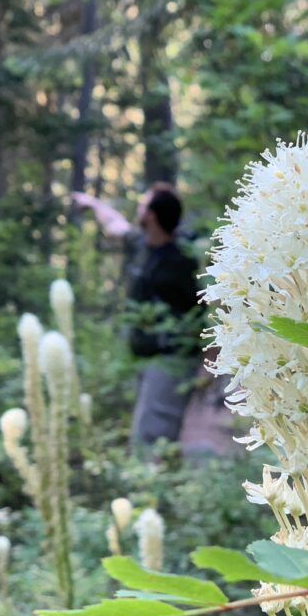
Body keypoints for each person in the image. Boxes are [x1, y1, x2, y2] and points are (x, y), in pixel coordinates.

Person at [72, 184, 201, 445]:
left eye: (143, 205)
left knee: (152, 436)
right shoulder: (143, 247)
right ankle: (155, 479)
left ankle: (154, 483)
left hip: (171, 359)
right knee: (148, 430)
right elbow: (115, 226)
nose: (138, 209)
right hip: (147, 356)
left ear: (152, 215)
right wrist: (94, 204)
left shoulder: (185, 257)